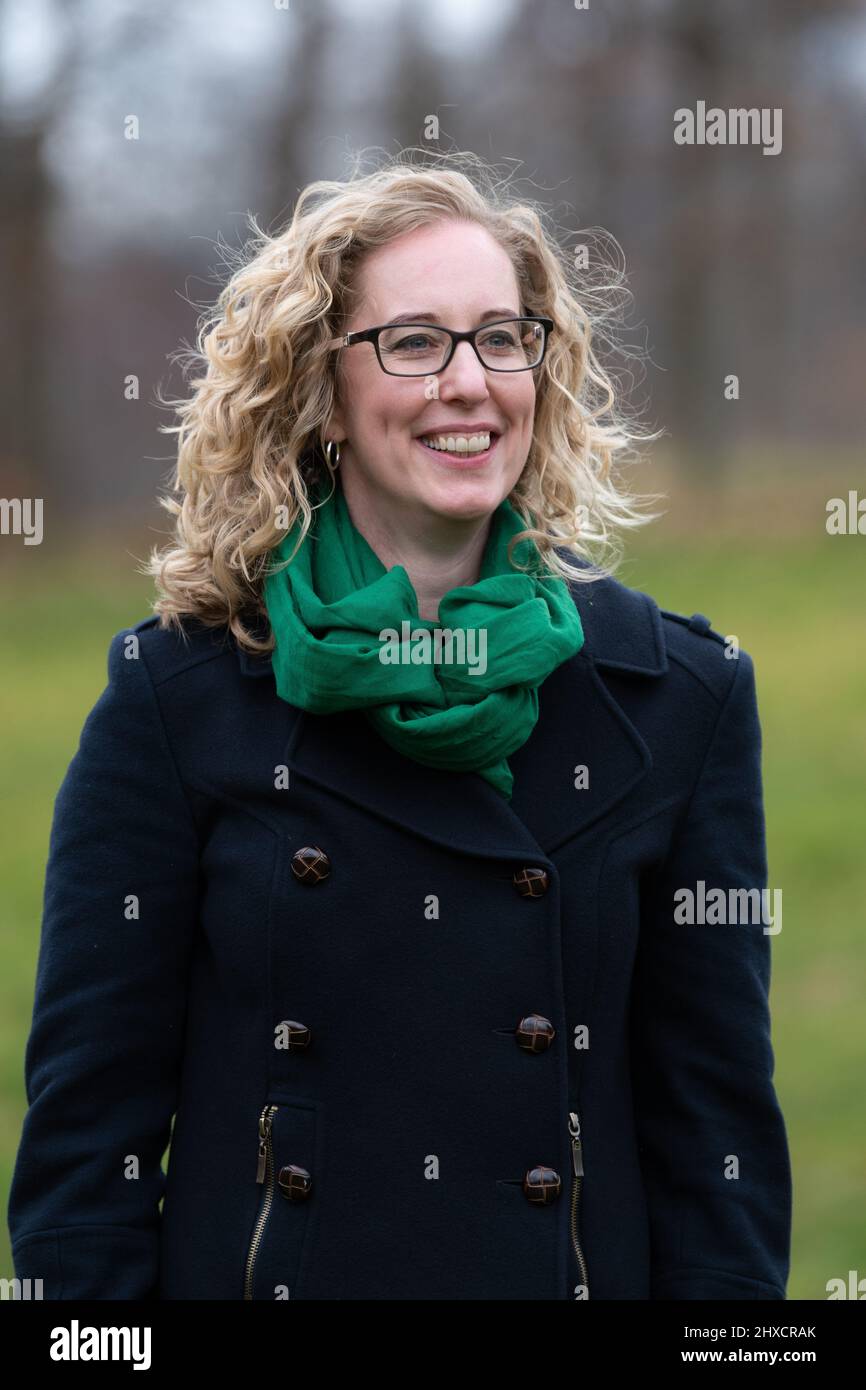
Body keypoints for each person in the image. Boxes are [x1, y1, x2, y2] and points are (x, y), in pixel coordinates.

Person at [7, 151, 792, 1300]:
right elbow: (87, 1149)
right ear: (321, 390)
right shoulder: (177, 697)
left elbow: (715, 1154)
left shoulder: (678, 695)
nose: (467, 381)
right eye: (414, 341)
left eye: (501, 337)